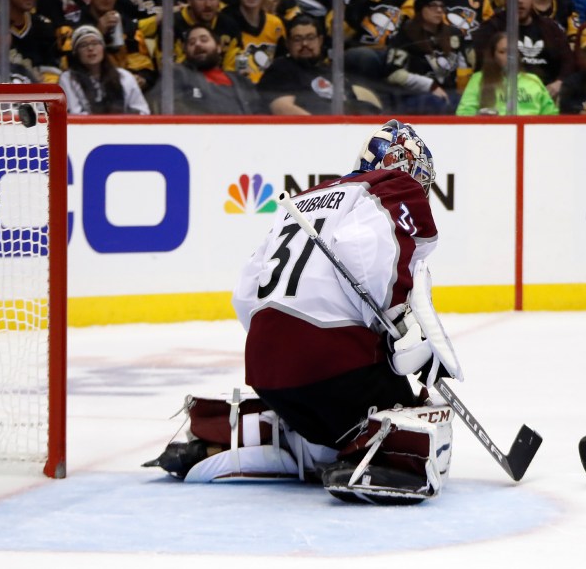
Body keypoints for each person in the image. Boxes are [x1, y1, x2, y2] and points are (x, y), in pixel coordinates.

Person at [146, 120, 458, 505]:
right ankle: (374, 458)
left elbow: (246, 294)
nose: (422, 191)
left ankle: (251, 440)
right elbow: (367, 254)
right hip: (332, 367)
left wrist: (283, 345)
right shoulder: (394, 187)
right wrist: (399, 327)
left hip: (265, 370)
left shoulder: (305, 199)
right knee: (421, 414)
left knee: (327, 421)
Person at [257, 14, 381, 115]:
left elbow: (352, 106)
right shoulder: (282, 68)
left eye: (310, 37)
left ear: (320, 40)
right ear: (288, 44)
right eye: (297, 39)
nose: (305, 43)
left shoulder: (331, 72)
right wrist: (324, 131)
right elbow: (282, 108)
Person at [473, 0, 573, 100]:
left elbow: (568, 61)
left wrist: (559, 82)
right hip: (505, 93)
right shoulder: (491, 28)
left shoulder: (550, 28)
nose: (519, 1)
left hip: (546, 94)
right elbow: (484, 66)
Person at [384, 0, 472, 114]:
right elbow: (394, 74)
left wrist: (465, 94)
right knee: (435, 102)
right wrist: (430, 85)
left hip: (450, 94)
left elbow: (465, 67)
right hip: (414, 96)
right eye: (432, 6)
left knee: (465, 104)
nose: (439, 10)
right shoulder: (405, 35)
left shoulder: (454, 34)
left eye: (441, 6)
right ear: (420, 9)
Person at [148, 24, 266, 115]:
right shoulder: (178, 74)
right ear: (186, 52)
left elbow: (260, 112)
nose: (198, 45)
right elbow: (161, 104)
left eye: (204, 40)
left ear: (219, 47)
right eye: (192, 43)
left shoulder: (240, 80)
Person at [456, 31, 559, 115]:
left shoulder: (533, 80)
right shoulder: (479, 79)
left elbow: (551, 115)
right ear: (493, 56)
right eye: (502, 52)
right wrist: (481, 117)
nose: (509, 57)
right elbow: (463, 113)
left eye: (512, 51)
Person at [58, 24, 150, 115]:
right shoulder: (68, 79)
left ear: (103, 48)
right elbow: (74, 114)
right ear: (76, 52)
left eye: (95, 43)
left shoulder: (124, 76)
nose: (90, 48)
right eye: (83, 45)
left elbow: (142, 111)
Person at [222, 0, 286, 85]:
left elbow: (283, 62)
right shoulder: (225, 22)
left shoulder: (276, 24)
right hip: (237, 89)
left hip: (269, 90)